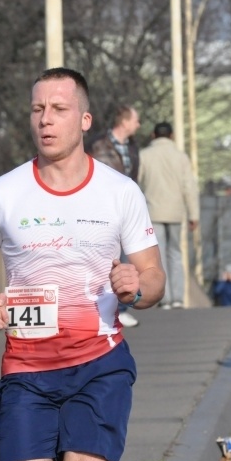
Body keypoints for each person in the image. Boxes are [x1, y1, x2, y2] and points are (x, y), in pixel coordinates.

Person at [0, 67, 165, 461]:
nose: (45, 119)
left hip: (99, 367)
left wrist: (136, 287)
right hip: (26, 371)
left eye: (58, 109)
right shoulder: (5, 190)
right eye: (37, 109)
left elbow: (153, 275)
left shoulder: (119, 191)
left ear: (85, 120)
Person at [87, 104, 142, 327]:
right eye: (136, 120)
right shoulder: (99, 146)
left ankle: (120, 307)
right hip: (101, 210)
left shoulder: (132, 147)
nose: (138, 125)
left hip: (125, 209)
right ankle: (106, 308)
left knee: (125, 259)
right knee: (107, 259)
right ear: (125, 122)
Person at [137, 121, 200, 309]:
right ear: (171, 136)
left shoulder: (144, 155)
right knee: (175, 254)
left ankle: (163, 298)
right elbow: (189, 186)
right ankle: (178, 298)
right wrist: (193, 214)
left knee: (158, 255)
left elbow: (136, 183)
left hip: (152, 212)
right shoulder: (181, 157)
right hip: (175, 212)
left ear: (153, 135)